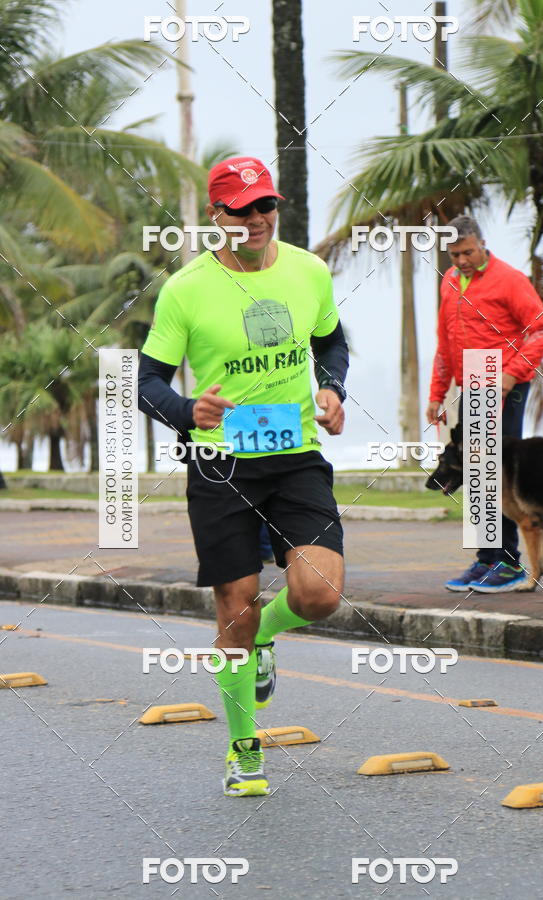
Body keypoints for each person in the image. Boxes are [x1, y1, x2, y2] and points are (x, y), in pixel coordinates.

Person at [138, 157, 348, 797]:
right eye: (240, 210)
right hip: (220, 463)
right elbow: (145, 383)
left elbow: (331, 342)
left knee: (320, 595)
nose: (255, 221)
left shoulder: (308, 271)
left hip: (295, 454)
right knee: (234, 606)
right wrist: (185, 410)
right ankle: (242, 747)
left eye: (265, 207)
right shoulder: (187, 289)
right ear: (216, 216)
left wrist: (332, 388)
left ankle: (263, 641)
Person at [426, 215, 543, 593]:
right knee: (474, 470)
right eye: (454, 254)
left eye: (467, 252)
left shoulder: (510, 279)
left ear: (481, 243)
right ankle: (486, 558)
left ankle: (508, 561)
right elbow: (445, 343)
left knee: (495, 473)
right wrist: (437, 392)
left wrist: (511, 374)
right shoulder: (450, 281)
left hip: (505, 384)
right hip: (472, 381)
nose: (462, 260)